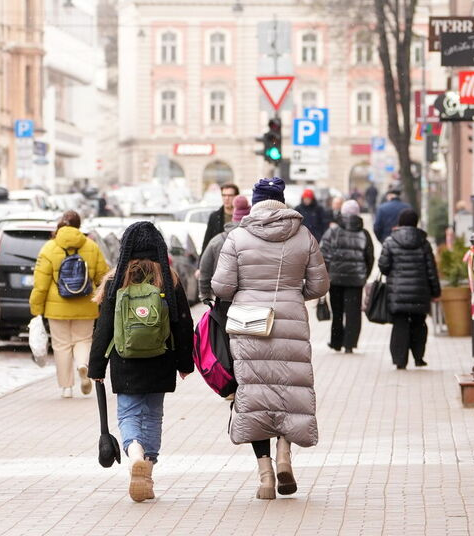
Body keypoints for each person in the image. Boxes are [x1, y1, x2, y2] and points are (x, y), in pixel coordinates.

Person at [212, 177, 329, 500]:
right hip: (290, 321)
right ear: (282, 201)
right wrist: (292, 293)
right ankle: (284, 456)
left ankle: (265, 476)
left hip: (250, 326)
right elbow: (319, 286)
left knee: (254, 398)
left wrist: (247, 292)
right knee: (288, 394)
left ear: (254, 201)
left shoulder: (238, 237)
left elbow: (221, 288)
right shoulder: (303, 235)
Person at [88, 221, 194, 503]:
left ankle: (134, 452)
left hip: (125, 361)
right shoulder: (168, 279)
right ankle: (147, 465)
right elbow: (183, 323)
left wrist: (96, 367)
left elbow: (104, 329)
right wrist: (185, 362)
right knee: (153, 415)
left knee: (129, 414)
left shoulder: (115, 281)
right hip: (161, 358)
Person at [29, 210, 110, 397]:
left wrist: (37, 309)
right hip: (86, 304)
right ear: (79, 225)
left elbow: (40, 284)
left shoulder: (49, 248)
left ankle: (66, 388)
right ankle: (83, 365)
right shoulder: (91, 246)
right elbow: (102, 276)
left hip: (56, 307)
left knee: (61, 345)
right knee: (83, 340)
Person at [379, 208, 441, 370]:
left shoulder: (390, 241)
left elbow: (384, 267)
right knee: (419, 324)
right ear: (416, 222)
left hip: (398, 293)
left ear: (399, 222)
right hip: (420, 292)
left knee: (400, 324)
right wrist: (436, 292)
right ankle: (419, 357)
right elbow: (431, 270)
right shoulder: (424, 243)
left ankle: (400, 360)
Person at [319, 199, 372, 354]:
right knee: (353, 312)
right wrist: (364, 275)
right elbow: (370, 257)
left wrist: (327, 272)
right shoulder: (364, 234)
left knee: (337, 311)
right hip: (356, 279)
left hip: (335, 278)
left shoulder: (333, 231)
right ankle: (349, 343)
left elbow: (323, 254)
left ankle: (336, 342)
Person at [198, 194, 250, 304]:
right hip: (251, 299)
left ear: (233, 218)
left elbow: (204, 269)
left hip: (223, 299)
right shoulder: (257, 239)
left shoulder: (217, 241)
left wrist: (205, 295)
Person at [202, 183, 240, 253]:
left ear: (236, 197)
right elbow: (207, 242)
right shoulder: (215, 216)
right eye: (224, 195)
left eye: (230, 195)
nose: (226, 198)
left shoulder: (243, 217)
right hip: (218, 257)